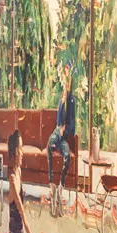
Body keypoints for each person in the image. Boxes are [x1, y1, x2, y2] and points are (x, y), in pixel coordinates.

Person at [2, 130, 36, 233]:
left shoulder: (19, 172)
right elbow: (23, 215)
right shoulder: (12, 179)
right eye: (21, 149)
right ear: (16, 152)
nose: (23, 153)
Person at [47, 64, 77, 211]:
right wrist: (60, 128)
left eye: (67, 80)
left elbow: (72, 127)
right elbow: (58, 121)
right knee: (49, 145)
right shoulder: (62, 99)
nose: (65, 83)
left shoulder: (72, 101)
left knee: (67, 156)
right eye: (64, 80)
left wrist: (64, 129)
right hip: (56, 133)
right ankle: (51, 183)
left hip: (63, 137)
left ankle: (61, 186)